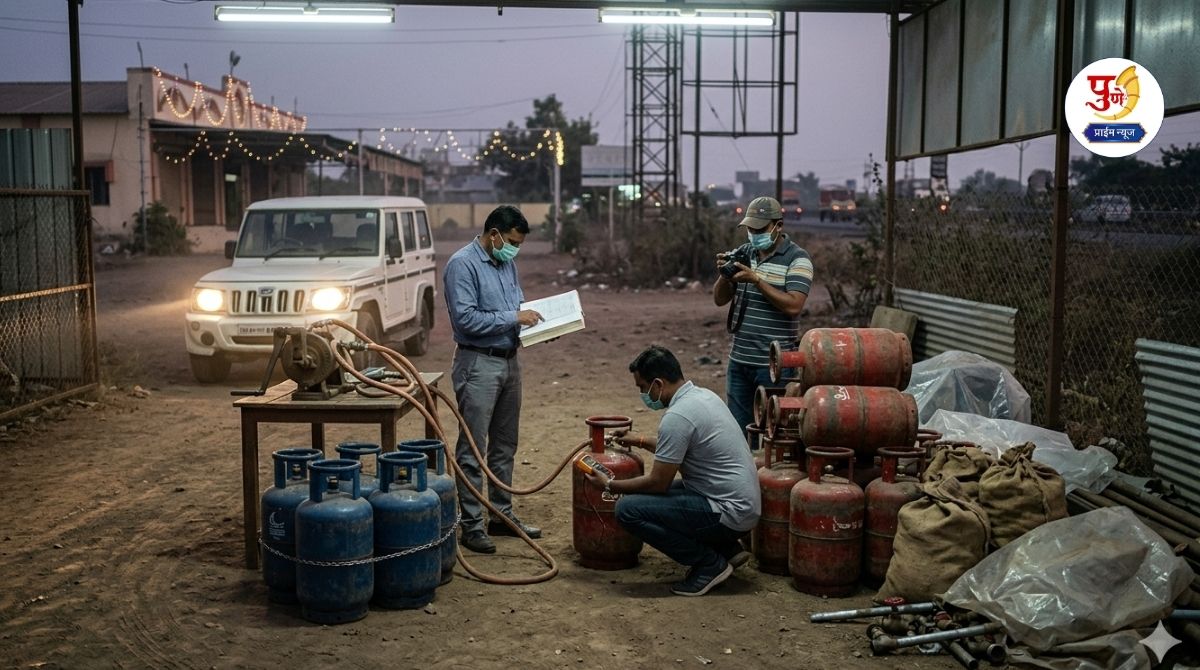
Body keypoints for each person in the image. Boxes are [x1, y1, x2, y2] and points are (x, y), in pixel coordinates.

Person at [584, 345, 762, 597]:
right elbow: (679, 447)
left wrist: (609, 485)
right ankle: (726, 549)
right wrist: (639, 440)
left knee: (628, 509)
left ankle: (709, 564)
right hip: (740, 503)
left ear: (658, 383)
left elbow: (658, 483)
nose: (643, 394)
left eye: (643, 387)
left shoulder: (678, 416)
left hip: (730, 512)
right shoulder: (703, 397)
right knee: (668, 494)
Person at [443, 205, 545, 554]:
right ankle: (472, 526)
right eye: (512, 242)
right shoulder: (462, 265)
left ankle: (501, 515)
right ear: (494, 234)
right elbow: (466, 319)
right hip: (477, 363)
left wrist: (539, 327)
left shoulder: (506, 263)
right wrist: (515, 317)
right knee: (473, 447)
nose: (515, 249)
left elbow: (517, 304)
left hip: (509, 360)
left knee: (504, 444)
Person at [712, 196, 813, 443]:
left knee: (774, 433)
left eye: (760, 229)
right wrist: (725, 275)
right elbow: (719, 300)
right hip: (739, 360)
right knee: (738, 433)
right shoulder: (745, 252)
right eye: (751, 229)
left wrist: (756, 280)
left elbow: (794, 305)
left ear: (778, 226)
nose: (754, 234)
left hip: (775, 365)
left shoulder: (797, 259)